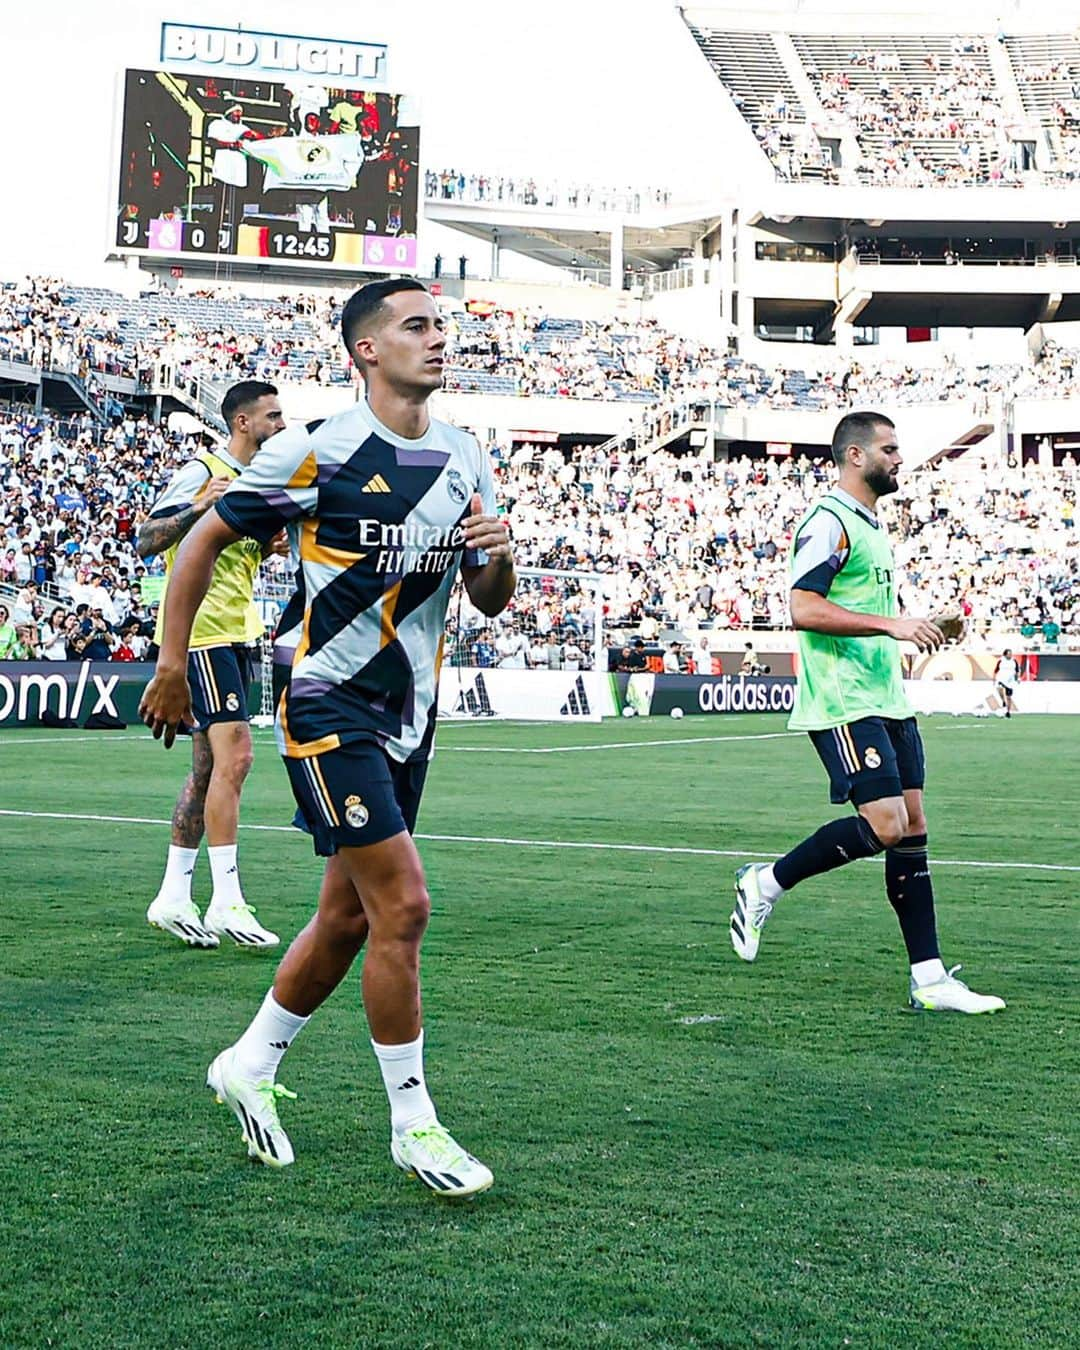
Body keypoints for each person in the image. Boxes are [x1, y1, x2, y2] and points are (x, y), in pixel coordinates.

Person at [139, 278, 515, 1198]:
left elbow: (489, 596)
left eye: (441, 325)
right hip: (325, 704)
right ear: (366, 351)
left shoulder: (467, 456)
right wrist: (172, 663)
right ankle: (414, 1124)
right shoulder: (320, 451)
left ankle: (249, 1062)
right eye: (416, 326)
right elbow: (199, 541)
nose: (437, 339)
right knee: (406, 908)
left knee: (350, 915)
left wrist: (498, 555)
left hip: (409, 716)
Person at [730, 411, 1005, 1014]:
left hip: (886, 698)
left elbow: (872, 613)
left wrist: (926, 625)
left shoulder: (872, 526)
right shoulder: (827, 521)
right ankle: (764, 884)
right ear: (856, 456)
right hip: (843, 698)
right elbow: (802, 607)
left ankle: (929, 979)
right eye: (889, 448)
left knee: (913, 828)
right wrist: (892, 624)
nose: (899, 458)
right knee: (885, 825)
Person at [138, 380, 287, 950]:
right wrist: (199, 506)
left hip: (237, 634)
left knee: (206, 770)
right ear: (243, 422)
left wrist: (262, 548)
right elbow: (145, 539)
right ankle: (227, 899)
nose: (281, 425)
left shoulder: (260, 484)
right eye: (273, 416)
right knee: (238, 757)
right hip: (202, 635)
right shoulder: (203, 469)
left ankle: (174, 894)